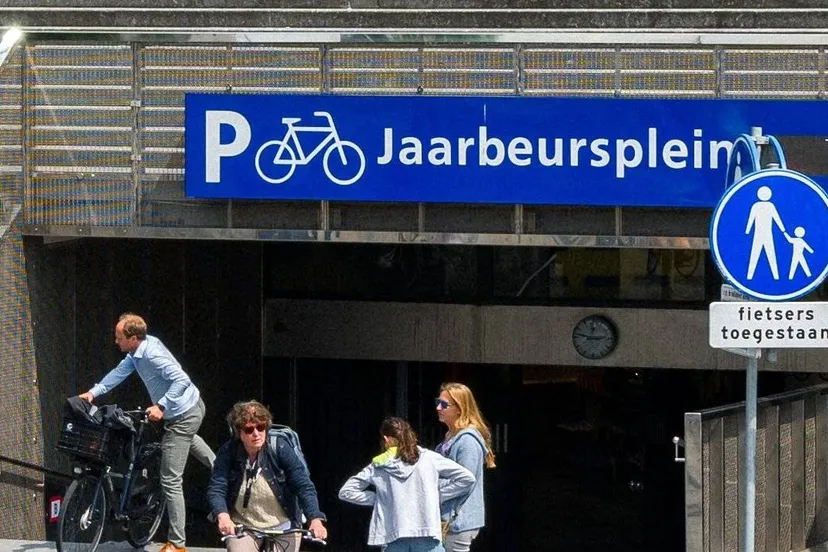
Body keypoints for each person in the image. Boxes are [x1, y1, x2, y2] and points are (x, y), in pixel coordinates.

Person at [78, 313, 216, 552]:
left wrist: (161, 406)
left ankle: (177, 544)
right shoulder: (136, 352)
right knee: (187, 440)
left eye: (119, 337)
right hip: (183, 413)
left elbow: (182, 379)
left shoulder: (152, 354)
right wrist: (93, 393)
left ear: (133, 338)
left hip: (185, 414)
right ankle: (221, 468)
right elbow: (118, 373)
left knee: (170, 479)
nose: (115, 341)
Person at [339, 416, 475, 552]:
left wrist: (379, 499)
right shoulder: (429, 458)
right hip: (427, 531)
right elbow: (467, 478)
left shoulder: (379, 465)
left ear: (386, 439)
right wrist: (438, 495)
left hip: (393, 535)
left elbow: (346, 492)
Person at [207, 400, 328, 552]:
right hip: (244, 525)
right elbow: (217, 487)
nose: (256, 433)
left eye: (261, 427)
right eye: (249, 429)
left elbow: (303, 485)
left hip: (284, 524)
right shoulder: (229, 451)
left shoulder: (280, 447)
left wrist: (315, 519)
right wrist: (223, 516)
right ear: (239, 433)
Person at [435, 383, 496, 552]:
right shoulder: (450, 438)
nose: (438, 408)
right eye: (437, 402)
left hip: (458, 520)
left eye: (444, 404)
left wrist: (435, 491)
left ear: (459, 408)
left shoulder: (467, 441)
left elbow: (466, 481)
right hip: (447, 517)